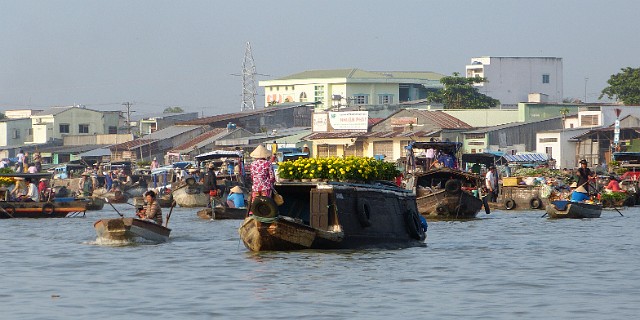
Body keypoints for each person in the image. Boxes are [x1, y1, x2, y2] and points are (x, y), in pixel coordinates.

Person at [249, 145, 276, 212]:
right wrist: (272, 182)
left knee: (255, 201)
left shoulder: (253, 164)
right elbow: (272, 176)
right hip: (265, 186)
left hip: (255, 186)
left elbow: (252, 176)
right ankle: (265, 212)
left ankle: (253, 212)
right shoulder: (268, 163)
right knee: (266, 201)